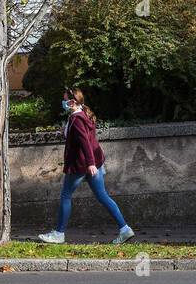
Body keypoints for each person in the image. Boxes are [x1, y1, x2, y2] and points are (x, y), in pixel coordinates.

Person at [38, 88, 135, 245]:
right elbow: (84, 138)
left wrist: (90, 163)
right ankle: (125, 229)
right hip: (93, 164)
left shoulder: (76, 120)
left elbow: (85, 142)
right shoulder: (82, 116)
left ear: (73, 102)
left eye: (65, 100)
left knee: (65, 196)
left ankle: (59, 233)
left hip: (81, 165)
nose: (62, 102)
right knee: (103, 196)